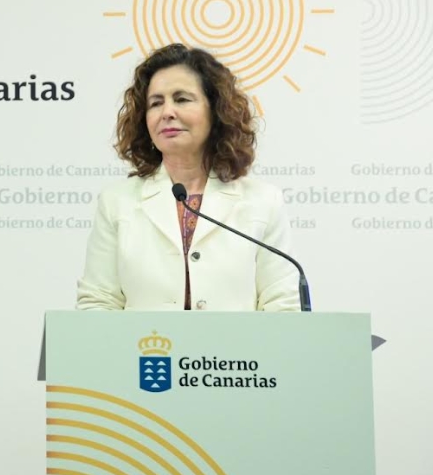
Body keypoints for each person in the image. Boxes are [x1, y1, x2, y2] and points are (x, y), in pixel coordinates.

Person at [77, 43, 299, 312]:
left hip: (238, 343)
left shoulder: (263, 201)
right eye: (156, 103)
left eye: (181, 99)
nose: (167, 112)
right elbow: (98, 303)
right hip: (146, 342)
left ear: (215, 110)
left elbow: (283, 306)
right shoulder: (116, 202)